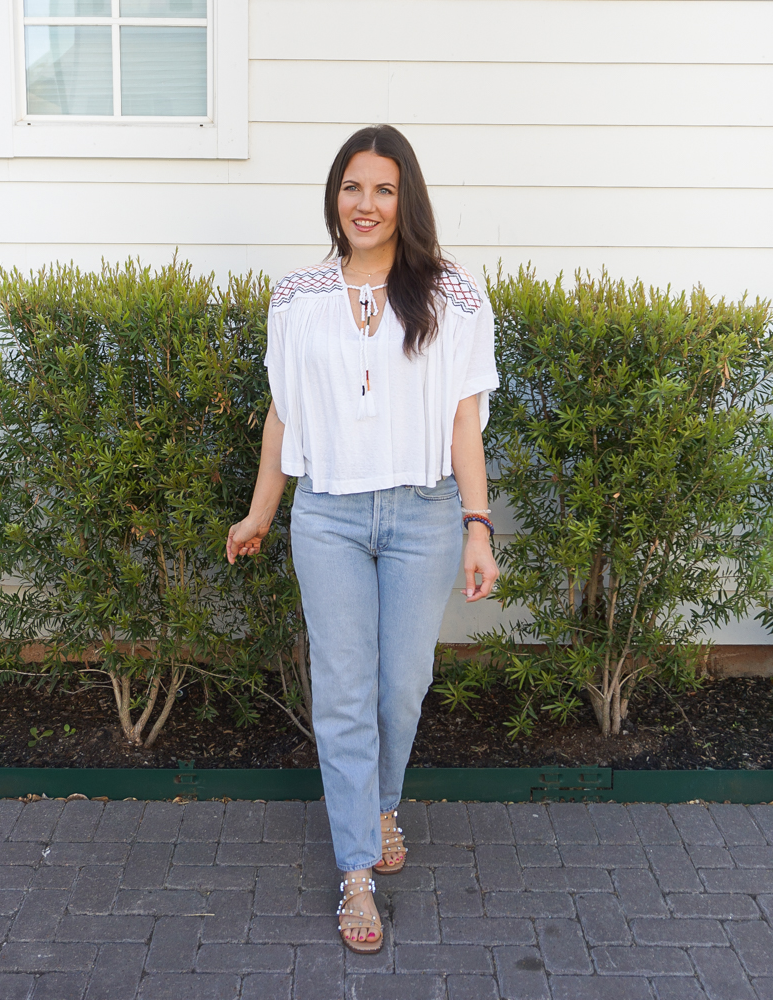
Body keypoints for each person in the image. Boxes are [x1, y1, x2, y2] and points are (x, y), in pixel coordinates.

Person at [226, 124, 499, 954]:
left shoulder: (454, 293)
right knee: (343, 693)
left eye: (383, 189)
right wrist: (261, 512)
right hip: (331, 517)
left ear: (404, 198)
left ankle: (382, 800)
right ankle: (356, 871)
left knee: (401, 686)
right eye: (353, 187)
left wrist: (477, 526)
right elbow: (284, 414)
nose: (366, 205)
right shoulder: (298, 294)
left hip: (422, 514)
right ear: (334, 196)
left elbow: (464, 422)